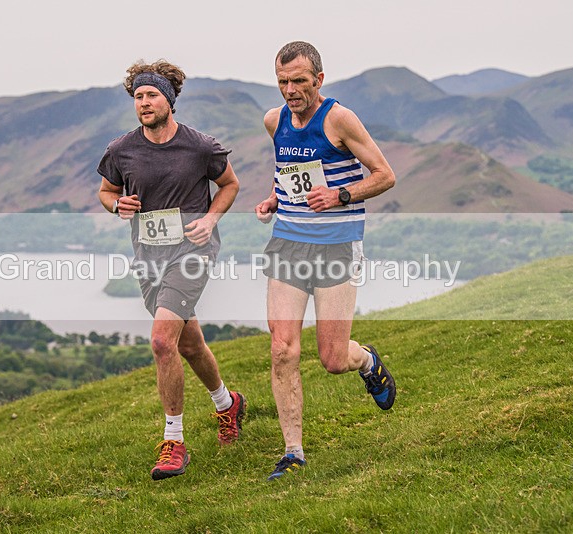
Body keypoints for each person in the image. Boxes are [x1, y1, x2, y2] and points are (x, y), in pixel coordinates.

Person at [255, 41, 397, 480]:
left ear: (319, 78)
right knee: (282, 349)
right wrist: (277, 199)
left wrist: (340, 196)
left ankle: (368, 361)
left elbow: (385, 175)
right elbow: (291, 175)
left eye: (299, 80)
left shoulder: (339, 118)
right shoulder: (273, 120)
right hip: (289, 243)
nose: (290, 90)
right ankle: (293, 452)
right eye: (283, 81)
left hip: (336, 245)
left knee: (333, 358)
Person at [98, 60, 246, 481]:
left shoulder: (200, 146)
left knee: (163, 341)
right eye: (138, 97)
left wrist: (211, 219)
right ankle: (227, 404)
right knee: (188, 344)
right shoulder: (121, 150)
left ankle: (174, 443)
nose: (143, 103)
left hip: (192, 250)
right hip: (149, 257)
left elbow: (230, 185)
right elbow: (107, 191)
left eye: (151, 95)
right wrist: (117, 205)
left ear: (170, 101)